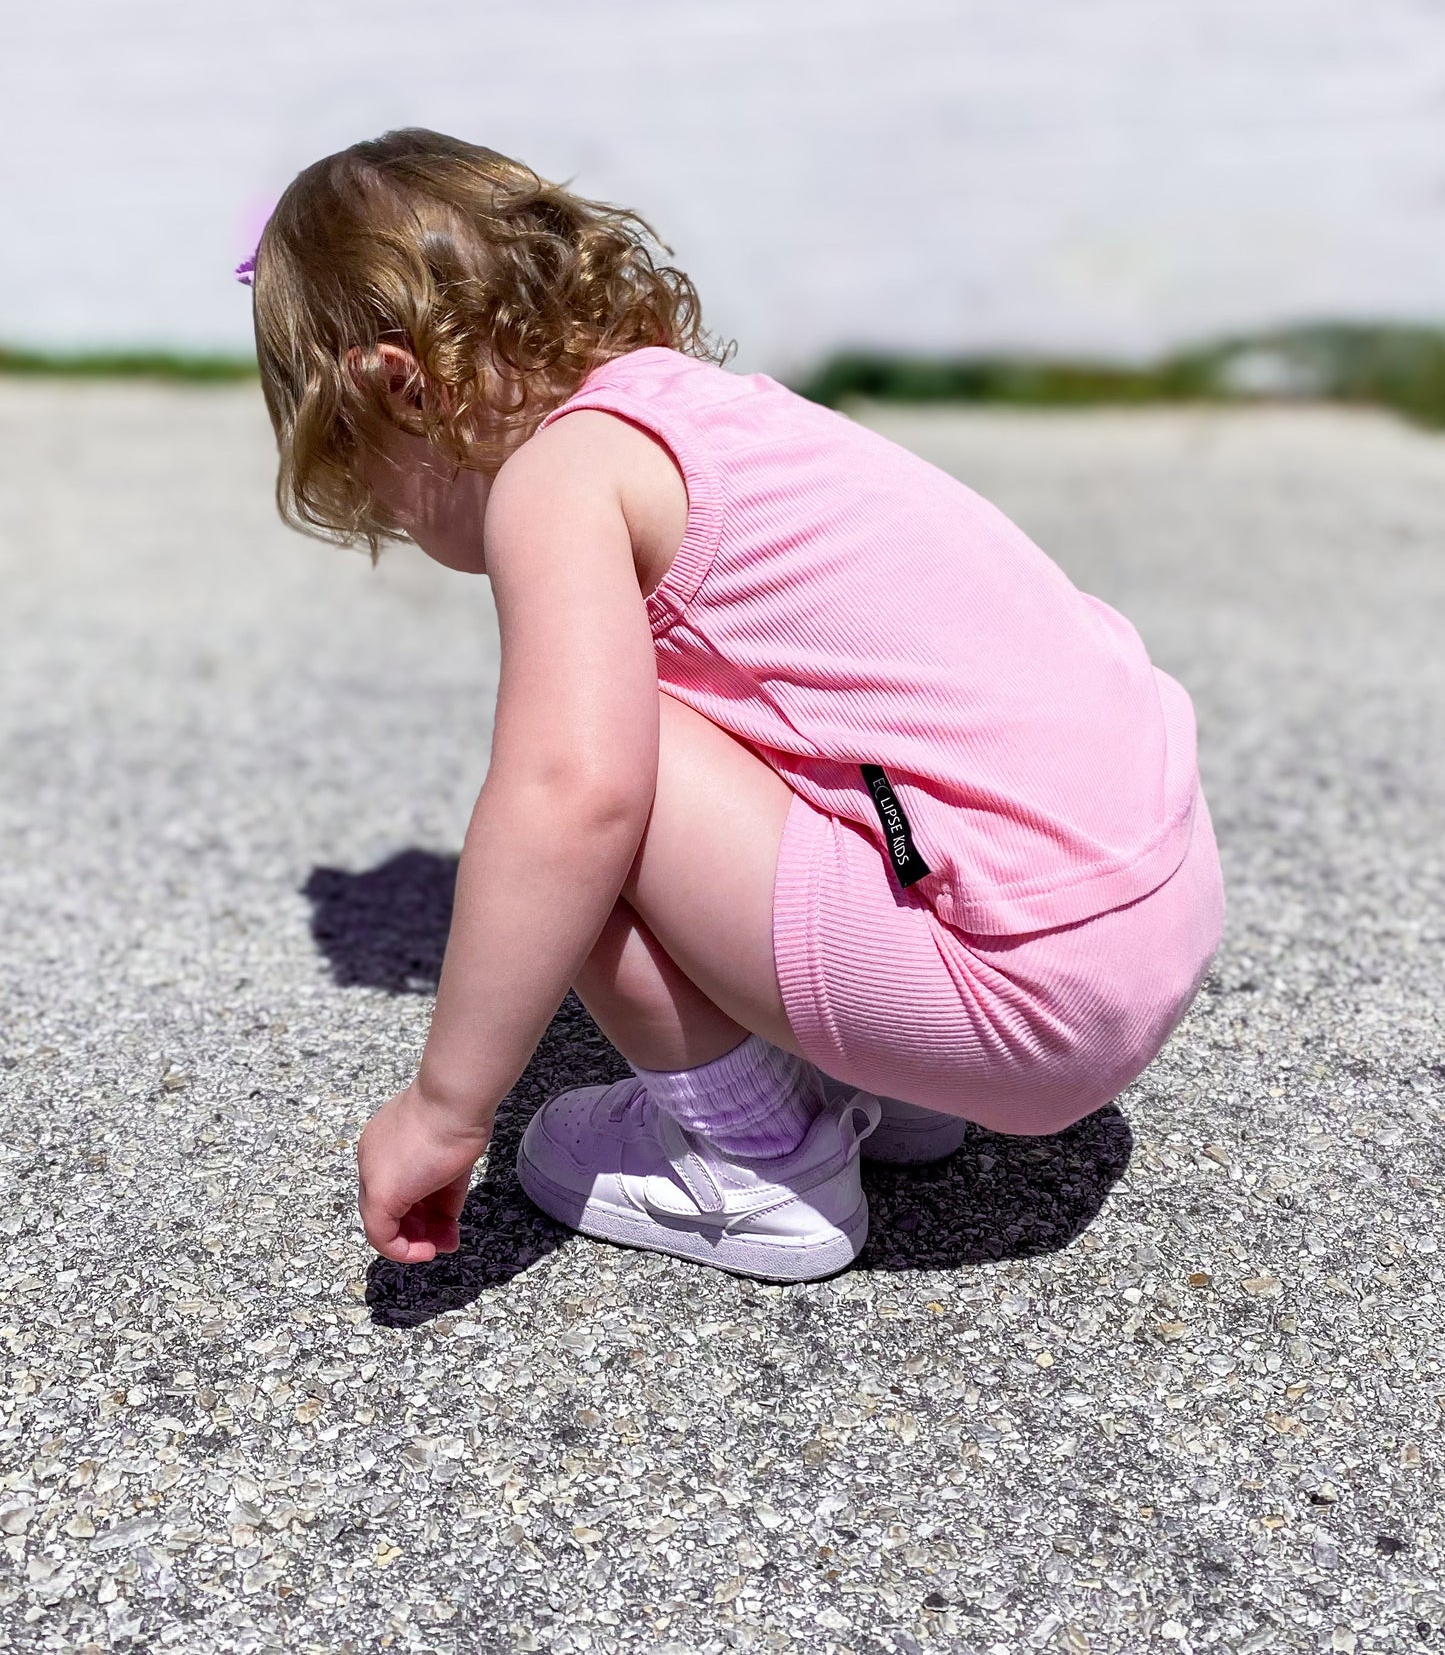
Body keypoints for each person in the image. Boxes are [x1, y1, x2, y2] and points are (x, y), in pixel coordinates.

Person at [245, 127, 1225, 1284]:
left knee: (573, 784)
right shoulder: (704, 411)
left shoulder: (557, 480)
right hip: (1136, 912)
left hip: (1023, 999)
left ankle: (754, 1160)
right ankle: (897, 1087)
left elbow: (573, 800)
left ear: (391, 389)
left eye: (371, 488)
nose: (397, 525)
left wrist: (447, 1105)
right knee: (726, 713)